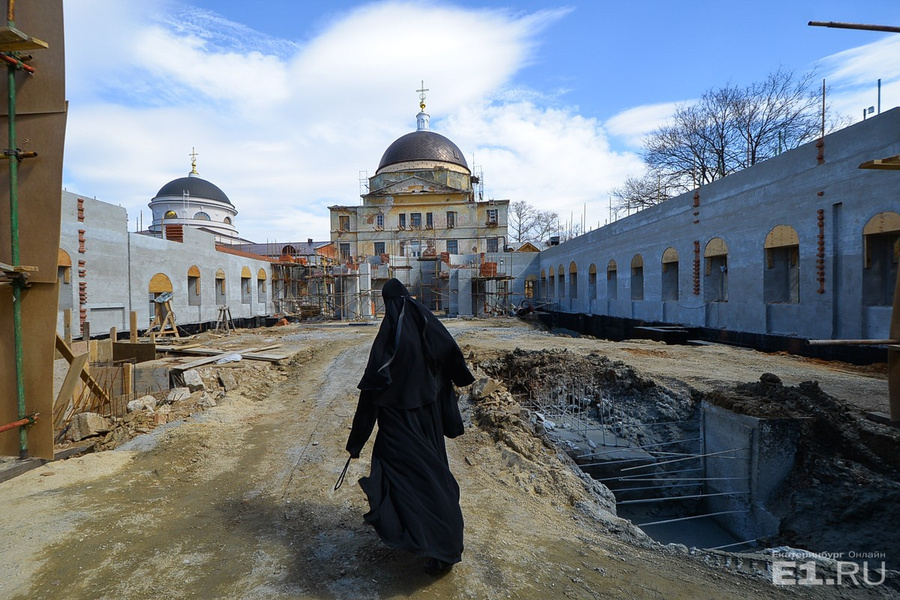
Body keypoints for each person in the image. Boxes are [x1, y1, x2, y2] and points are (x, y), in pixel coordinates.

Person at [345, 278, 475, 575]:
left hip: (398, 423)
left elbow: (370, 394)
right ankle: (435, 541)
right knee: (429, 477)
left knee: (406, 479)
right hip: (427, 420)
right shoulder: (427, 328)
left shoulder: (389, 337)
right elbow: (449, 366)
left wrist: (356, 442)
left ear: (387, 302)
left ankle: (439, 544)